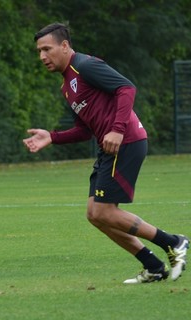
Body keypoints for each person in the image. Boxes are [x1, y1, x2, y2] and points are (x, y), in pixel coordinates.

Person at [23, 22, 189, 284]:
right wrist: (52, 137)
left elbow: (127, 88)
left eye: (47, 49)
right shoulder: (66, 86)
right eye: (39, 51)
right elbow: (84, 130)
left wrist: (117, 129)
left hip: (127, 141)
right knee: (94, 214)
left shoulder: (86, 66)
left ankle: (174, 242)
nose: (42, 56)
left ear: (64, 46)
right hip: (109, 147)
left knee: (104, 212)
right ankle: (153, 266)